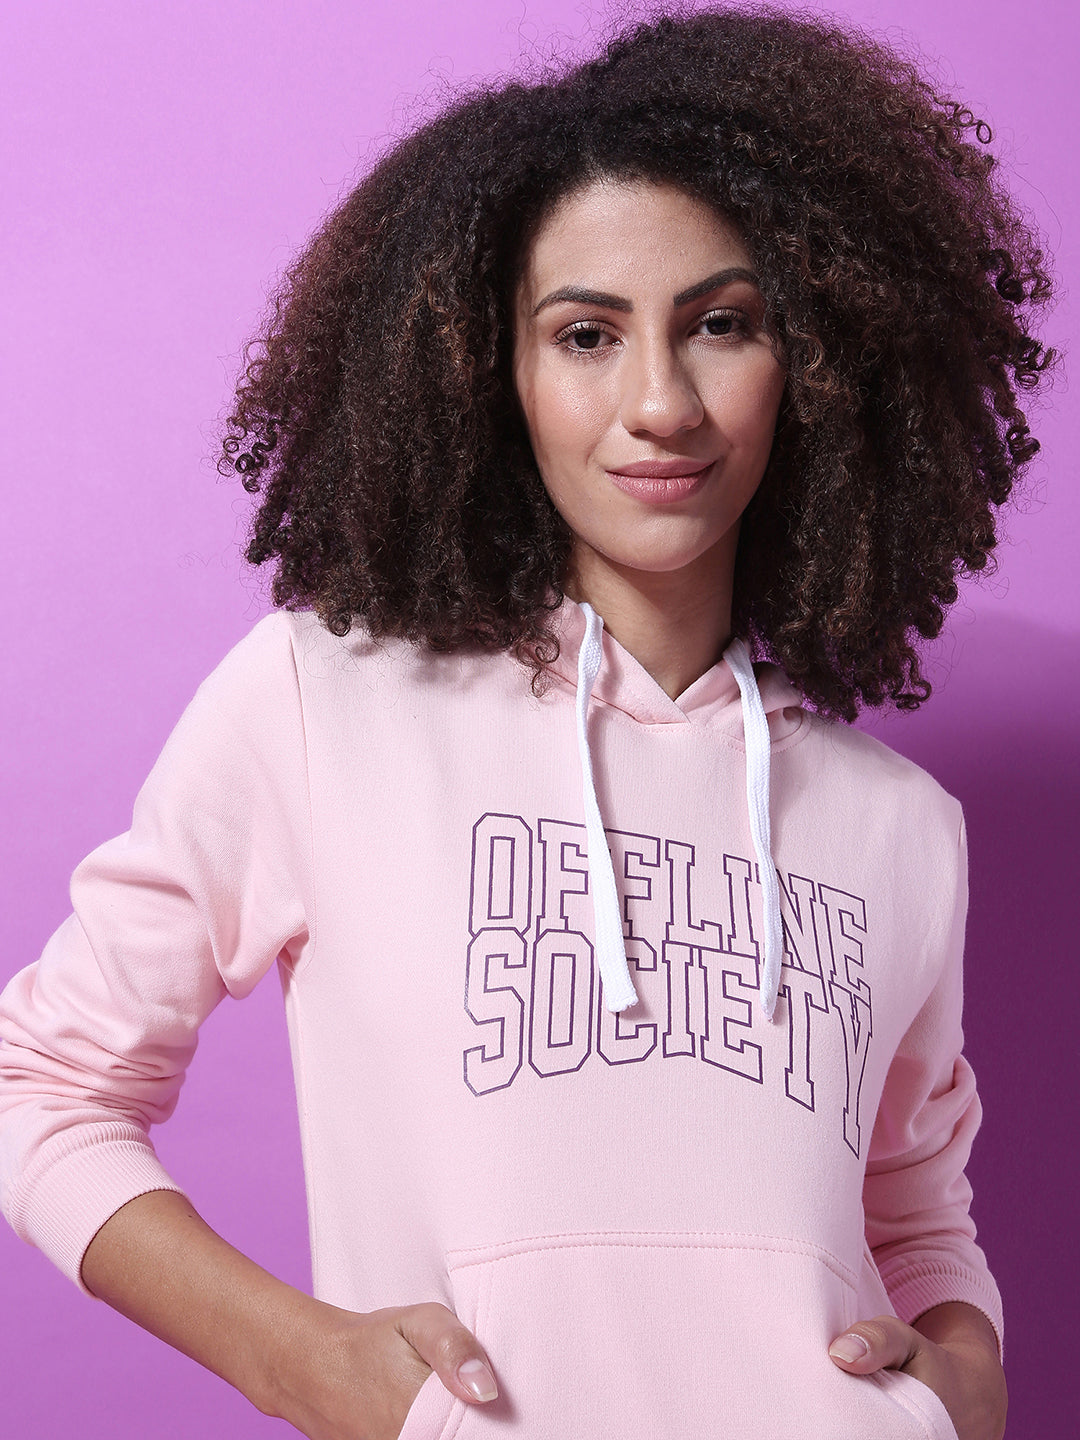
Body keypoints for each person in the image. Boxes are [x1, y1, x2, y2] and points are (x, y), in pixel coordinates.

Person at [0, 7, 1053, 1439]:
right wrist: (297, 1362)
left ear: (817, 361)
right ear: (492, 372)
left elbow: (918, 1211)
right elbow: (43, 1085)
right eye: (586, 335)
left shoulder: (901, 829)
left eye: (722, 325)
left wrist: (966, 1377)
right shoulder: (323, 704)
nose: (660, 403)